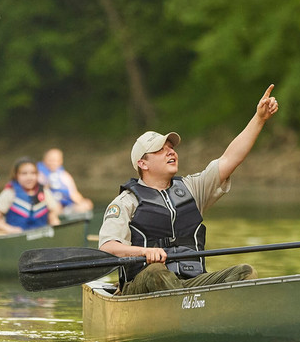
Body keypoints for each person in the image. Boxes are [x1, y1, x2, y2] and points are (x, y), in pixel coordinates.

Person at [98, 83, 279, 295]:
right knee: (156, 272)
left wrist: (259, 119)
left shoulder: (192, 189)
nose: (170, 152)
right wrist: (144, 252)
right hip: (143, 286)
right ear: (143, 163)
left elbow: (230, 159)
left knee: (245, 272)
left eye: (171, 148)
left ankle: (214, 314)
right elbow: (108, 248)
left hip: (190, 284)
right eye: (160, 150)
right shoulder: (125, 202)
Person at [0, 157, 62, 233]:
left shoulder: (44, 192)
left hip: (42, 235)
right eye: (24, 174)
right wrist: (9, 229)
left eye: (33, 173)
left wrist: (53, 217)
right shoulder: (10, 193)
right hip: (17, 237)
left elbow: (55, 210)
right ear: (16, 175)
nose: (29, 177)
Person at [37, 147, 94, 214]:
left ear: (60, 161)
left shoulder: (64, 175)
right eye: (50, 160)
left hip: (65, 206)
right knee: (54, 206)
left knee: (86, 205)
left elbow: (73, 193)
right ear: (44, 160)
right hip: (48, 205)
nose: (53, 163)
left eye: (56, 160)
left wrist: (82, 202)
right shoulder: (38, 173)